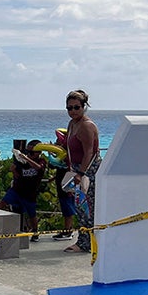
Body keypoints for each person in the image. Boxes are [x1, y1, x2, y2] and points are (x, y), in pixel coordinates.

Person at [63, 90, 100, 254]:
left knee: (87, 207)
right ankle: (84, 240)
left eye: (76, 107)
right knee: (78, 206)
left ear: (84, 107)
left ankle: (86, 243)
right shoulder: (72, 124)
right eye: (69, 108)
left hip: (88, 170)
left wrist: (81, 174)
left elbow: (89, 153)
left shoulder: (86, 126)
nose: (73, 111)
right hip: (76, 168)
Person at [0, 140, 47, 241]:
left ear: (38, 153)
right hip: (16, 190)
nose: (29, 154)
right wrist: (14, 169)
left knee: (31, 214)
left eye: (32, 152)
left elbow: (38, 168)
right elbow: (17, 175)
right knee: (0, 205)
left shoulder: (41, 161)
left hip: (30, 193)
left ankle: (35, 233)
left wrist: (26, 158)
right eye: (27, 152)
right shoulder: (21, 161)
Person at [48, 128, 77, 241]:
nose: (55, 143)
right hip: (65, 180)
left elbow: (60, 166)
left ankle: (67, 231)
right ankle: (68, 229)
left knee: (67, 206)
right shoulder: (65, 155)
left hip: (66, 182)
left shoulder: (66, 156)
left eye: (57, 141)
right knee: (67, 205)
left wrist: (51, 154)